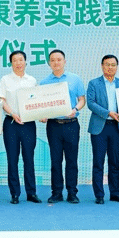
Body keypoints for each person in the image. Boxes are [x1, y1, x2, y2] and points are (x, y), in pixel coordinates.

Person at [40, 49, 86, 204]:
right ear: (49, 63)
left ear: (64, 61)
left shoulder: (75, 79)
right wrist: (42, 115)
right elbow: (42, 105)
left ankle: (72, 192)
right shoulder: (44, 83)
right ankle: (56, 192)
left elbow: (82, 100)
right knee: (55, 160)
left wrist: (75, 109)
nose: (56, 62)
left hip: (71, 124)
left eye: (59, 59)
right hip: (54, 125)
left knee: (72, 160)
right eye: (52, 60)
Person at [0, 50, 40, 204]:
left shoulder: (32, 80)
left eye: (21, 60)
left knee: (29, 158)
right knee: (12, 159)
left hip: (28, 123)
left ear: (25, 62)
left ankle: (31, 193)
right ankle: (14, 193)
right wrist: (12, 113)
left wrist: (41, 114)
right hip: (11, 123)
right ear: (11, 63)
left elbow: (37, 102)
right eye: (15, 60)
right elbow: (1, 100)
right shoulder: (5, 79)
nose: (18, 63)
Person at [86, 55, 119, 204]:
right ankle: (99, 195)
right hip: (100, 128)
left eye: (113, 65)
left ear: (117, 67)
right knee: (98, 162)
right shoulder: (94, 83)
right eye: (107, 64)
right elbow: (90, 103)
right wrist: (108, 113)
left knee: (115, 162)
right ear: (102, 66)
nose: (110, 67)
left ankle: (115, 193)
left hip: (116, 127)